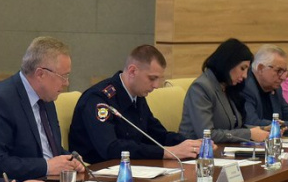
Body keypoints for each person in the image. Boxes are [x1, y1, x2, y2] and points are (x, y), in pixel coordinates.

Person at [0, 36, 84, 179]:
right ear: (40, 74)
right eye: (63, 76)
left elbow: (50, 150)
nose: (66, 83)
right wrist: (47, 167)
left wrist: (70, 159)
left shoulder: (46, 98)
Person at [69, 44, 200, 164]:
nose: (156, 85)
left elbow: (156, 134)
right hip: (97, 171)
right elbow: (111, 148)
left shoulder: (137, 95)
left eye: (159, 79)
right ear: (132, 71)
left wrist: (191, 144)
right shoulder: (99, 99)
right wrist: (165, 152)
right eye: (152, 78)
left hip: (132, 167)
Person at [179, 38, 270, 144]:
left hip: (222, 149)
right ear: (228, 63)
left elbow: (234, 127)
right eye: (242, 68)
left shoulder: (227, 86)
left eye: (247, 70)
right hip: (196, 151)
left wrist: (261, 130)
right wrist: (249, 134)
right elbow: (207, 135)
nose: (245, 75)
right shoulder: (201, 88)